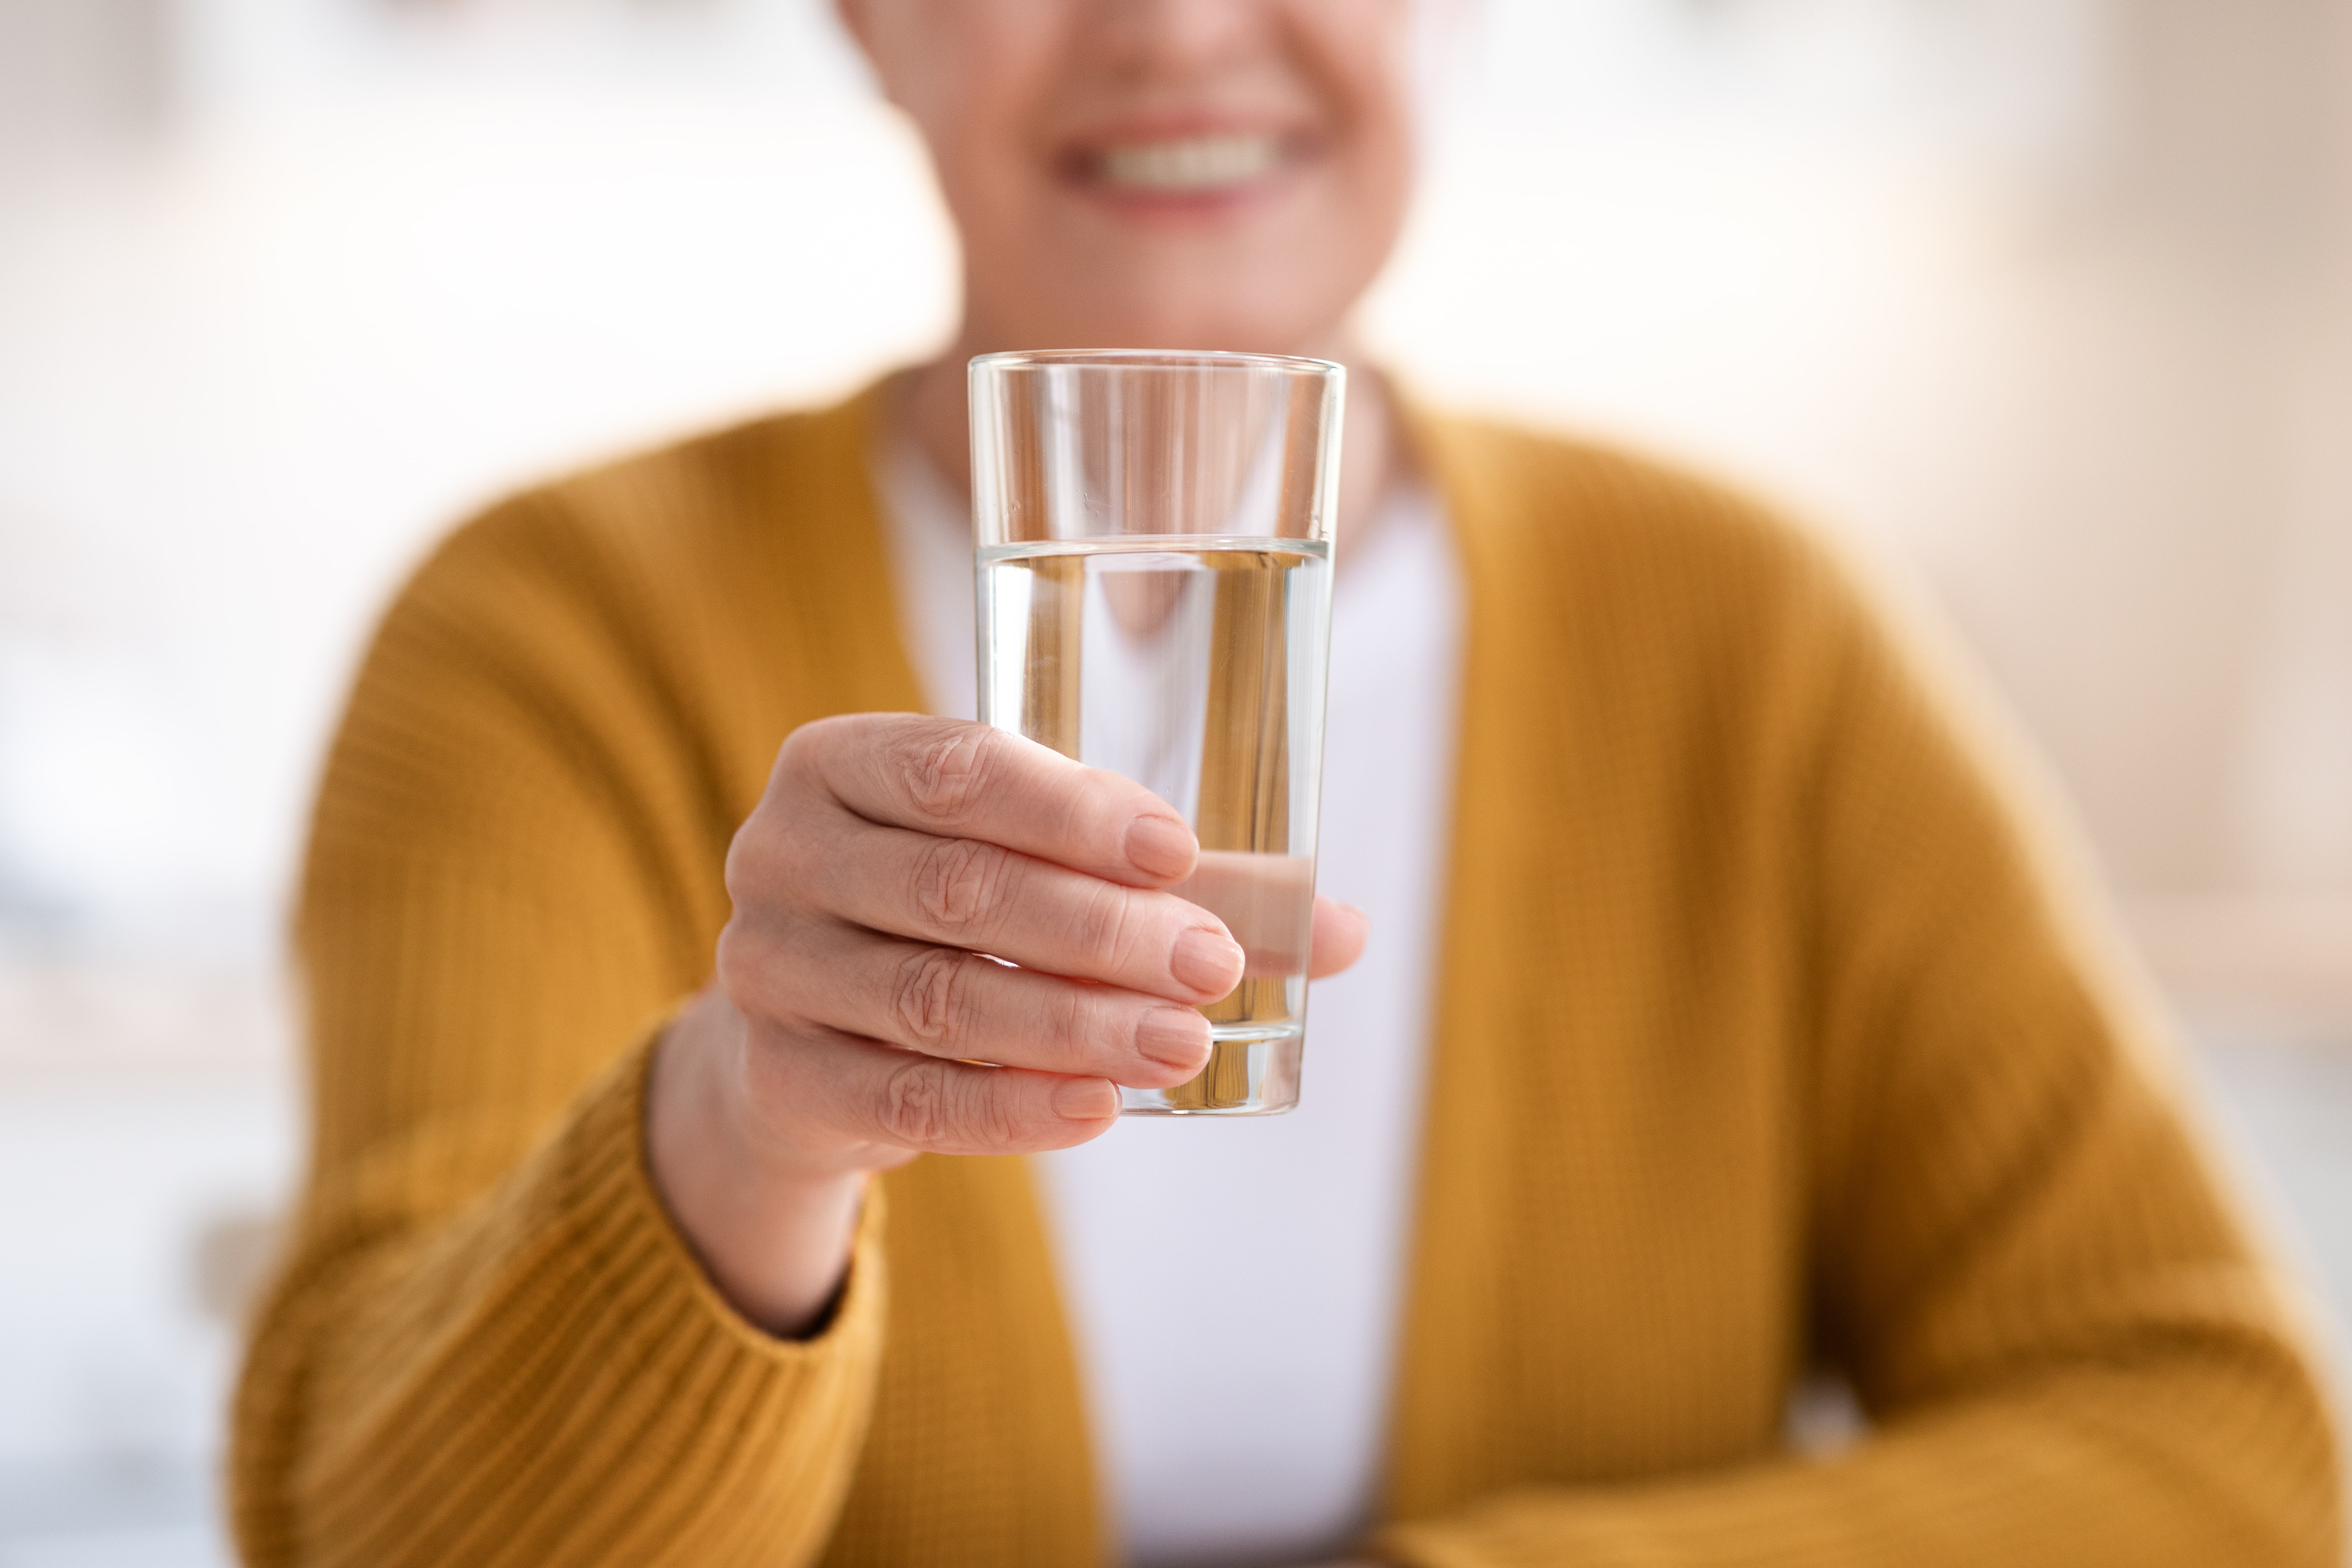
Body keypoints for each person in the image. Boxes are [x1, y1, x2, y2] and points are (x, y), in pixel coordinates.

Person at [229, 1, 2343, 1565]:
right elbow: (368, 1536)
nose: (1172, 29)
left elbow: (2230, 1452)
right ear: (865, 19)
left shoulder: (1758, 640)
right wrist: (739, 1128)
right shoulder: (546, 638)